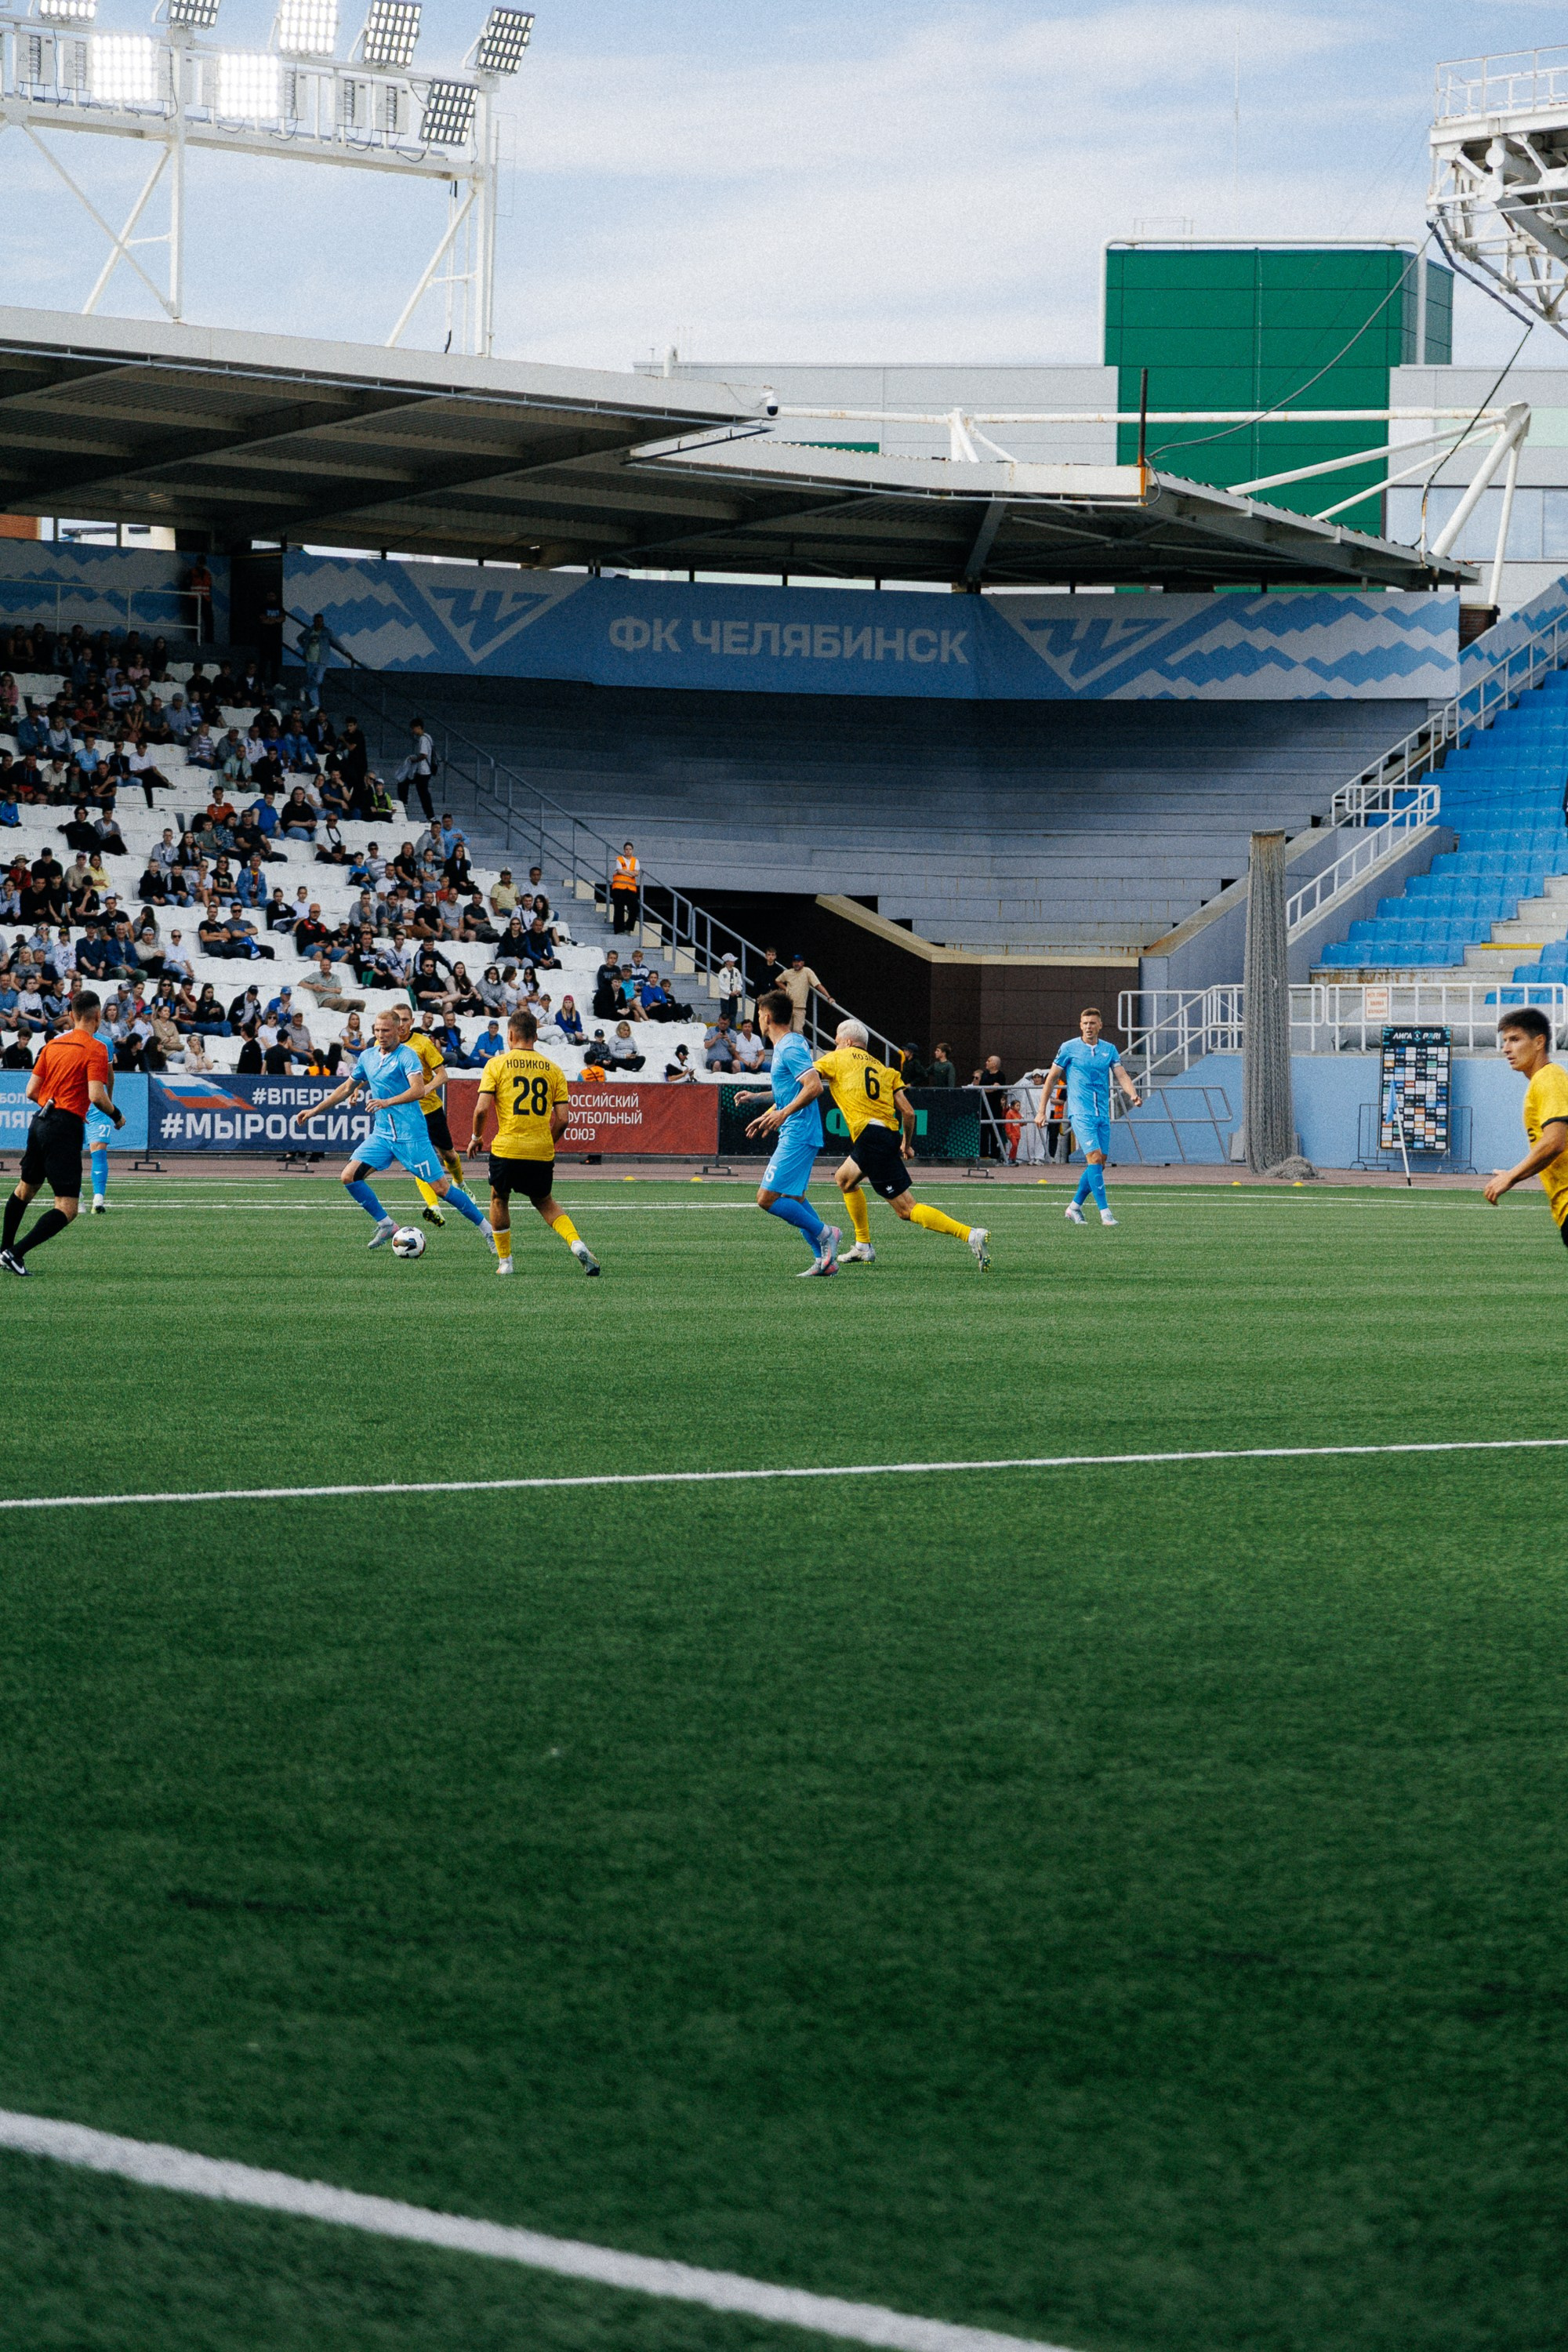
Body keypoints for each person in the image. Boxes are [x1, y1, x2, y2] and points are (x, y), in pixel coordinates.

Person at [758, 1015, 989, 1269]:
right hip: (885, 1135)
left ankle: (970, 1234)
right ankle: (863, 1246)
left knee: (906, 1209)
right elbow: (909, 1113)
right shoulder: (884, 1069)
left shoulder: (836, 1059)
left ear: (847, 1042)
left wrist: (772, 1111)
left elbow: (800, 1087)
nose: (836, 1046)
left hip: (871, 1138)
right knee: (845, 1179)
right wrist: (906, 1144)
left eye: (837, 1042)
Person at [291, 1007, 493, 1253]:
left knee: (442, 1189)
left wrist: (387, 1102)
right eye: (377, 1030)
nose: (381, 1035)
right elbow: (346, 1088)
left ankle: (488, 1230)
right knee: (349, 1176)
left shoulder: (407, 1056)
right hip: (383, 1135)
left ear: (398, 1030)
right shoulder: (368, 1056)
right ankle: (386, 1224)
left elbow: (418, 1090)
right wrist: (314, 1110)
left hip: (412, 1135)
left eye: (386, 1030)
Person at [467, 1008, 600, 1277]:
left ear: (510, 1035)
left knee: (499, 1198)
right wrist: (547, 1143)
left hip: (507, 1148)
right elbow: (563, 1119)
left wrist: (476, 1138)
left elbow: (481, 1110)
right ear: (536, 1037)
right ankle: (576, 1243)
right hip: (540, 1150)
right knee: (545, 1202)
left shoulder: (496, 1065)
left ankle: (505, 1262)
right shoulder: (554, 1070)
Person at [1, 989, 123, 1275]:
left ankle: (4, 1249)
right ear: (98, 1016)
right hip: (64, 1128)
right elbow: (97, 1095)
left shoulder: (53, 1045)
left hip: (40, 1122)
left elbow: (31, 1091)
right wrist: (117, 1115)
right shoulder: (96, 1048)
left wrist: (54, 1105)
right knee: (68, 1207)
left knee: (25, 1189)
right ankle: (15, 1254)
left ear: (70, 1015)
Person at [736, 987, 839, 1276]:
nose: (759, 1019)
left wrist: (782, 1113)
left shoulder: (789, 1047)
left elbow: (814, 1087)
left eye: (759, 1014)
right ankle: (824, 1261)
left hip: (799, 1131)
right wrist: (758, 1099)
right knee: (794, 1198)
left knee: (766, 1198)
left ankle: (827, 1233)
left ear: (767, 1017)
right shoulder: (790, 1044)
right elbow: (790, 1090)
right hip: (799, 1130)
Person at [1035, 1007, 1139, 1229]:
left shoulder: (1109, 1049)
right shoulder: (1069, 1048)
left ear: (1100, 1025)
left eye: (1092, 1023)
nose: (1088, 1027)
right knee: (1094, 1157)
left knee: (1100, 1163)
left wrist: (1132, 1094)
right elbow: (1051, 1078)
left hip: (1102, 1113)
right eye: (1085, 1023)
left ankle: (1074, 1207)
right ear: (1080, 1025)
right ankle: (1105, 1213)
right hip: (1081, 1113)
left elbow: (1121, 1075)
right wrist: (1042, 1110)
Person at [1486, 1008, 1568, 1242]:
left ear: (1539, 1042)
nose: (1506, 1048)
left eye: (1515, 1039)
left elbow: (1555, 1142)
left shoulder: (1549, 1077)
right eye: (1505, 1041)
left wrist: (1511, 1177)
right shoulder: (1542, 1081)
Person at [395, 1005, 465, 1228]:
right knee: (419, 1159)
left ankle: (460, 1183)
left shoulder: (423, 1043)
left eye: (405, 1020)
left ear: (412, 1021)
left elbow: (443, 1075)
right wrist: (358, 1089)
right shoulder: (382, 1044)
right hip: (408, 1113)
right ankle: (433, 1206)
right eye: (397, 1019)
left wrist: (425, 1089)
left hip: (430, 1109)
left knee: (449, 1155)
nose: (401, 1024)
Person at [780, 952, 836, 1035]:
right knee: (785, 1030)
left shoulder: (807, 971)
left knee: (798, 1031)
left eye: (799, 962)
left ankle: (797, 1044)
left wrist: (829, 997)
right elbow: (778, 980)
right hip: (788, 1006)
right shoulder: (787, 973)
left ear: (803, 963)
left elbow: (818, 985)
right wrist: (786, 989)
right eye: (795, 962)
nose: (796, 964)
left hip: (800, 1007)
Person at [610, 840, 639, 935]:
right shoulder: (619, 859)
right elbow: (619, 871)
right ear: (624, 850)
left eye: (630, 849)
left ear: (632, 850)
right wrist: (630, 873)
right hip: (618, 888)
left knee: (635, 908)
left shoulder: (635, 861)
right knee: (619, 908)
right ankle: (619, 930)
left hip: (630, 889)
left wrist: (625, 871)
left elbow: (636, 873)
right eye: (626, 849)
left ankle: (628, 927)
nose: (628, 851)